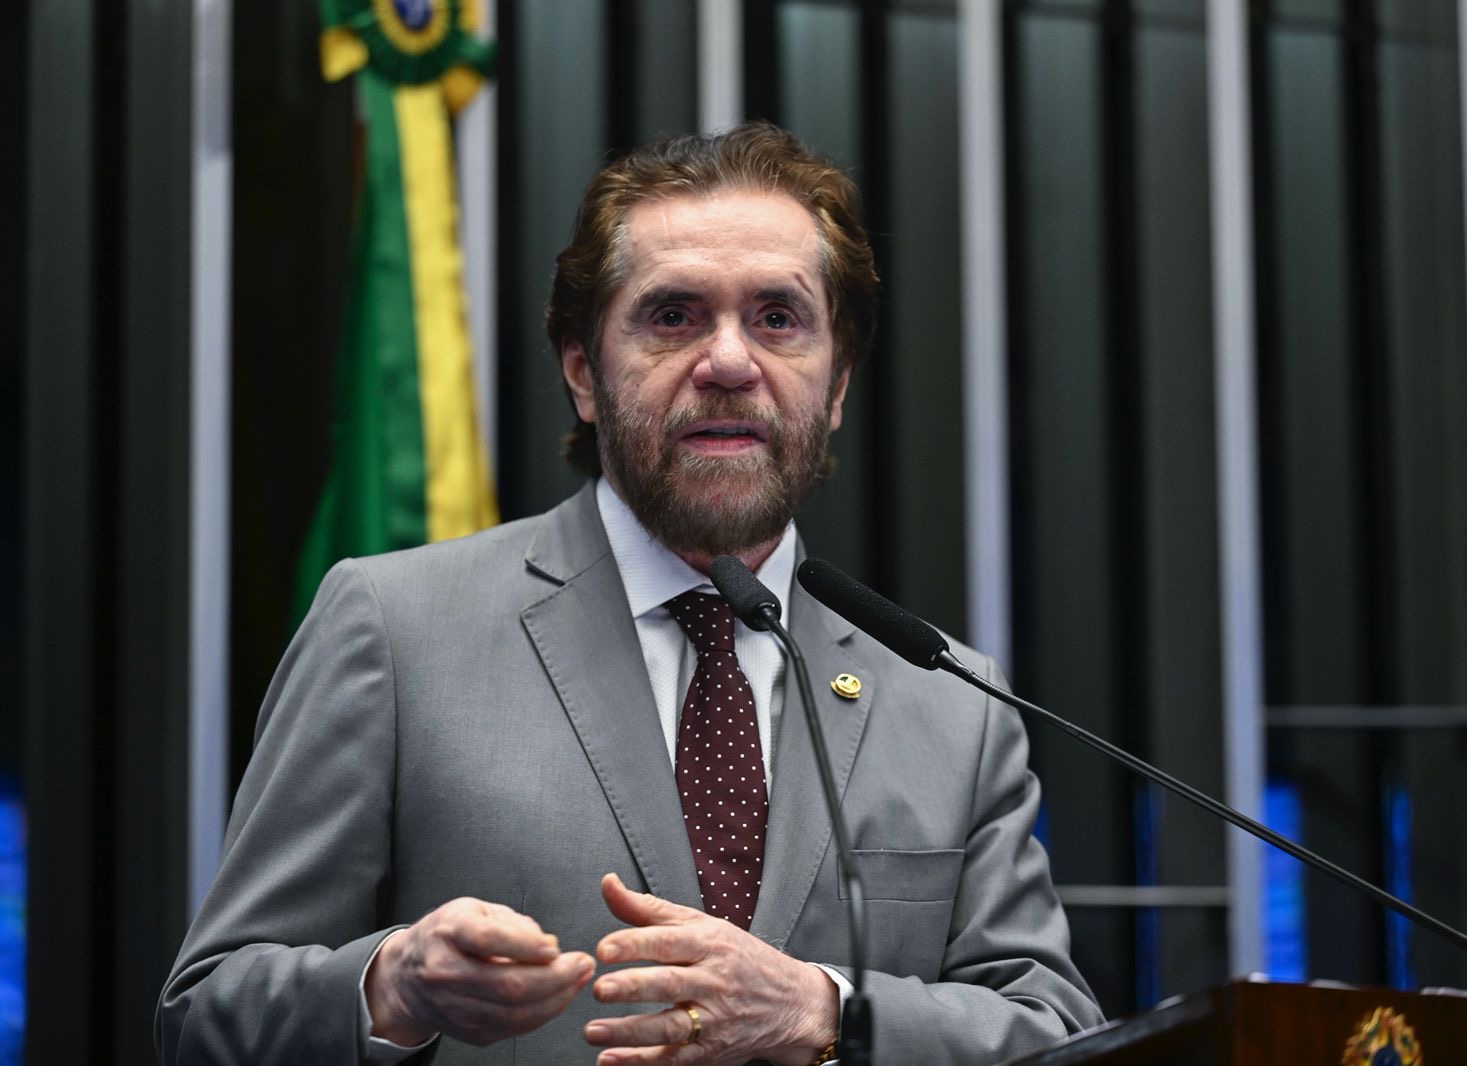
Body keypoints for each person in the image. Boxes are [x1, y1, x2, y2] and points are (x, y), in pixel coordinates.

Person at [157, 123, 1102, 1066]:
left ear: (838, 383)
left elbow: (1054, 1032)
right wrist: (390, 987)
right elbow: (205, 1019)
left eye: (778, 318)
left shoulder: (950, 700)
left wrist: (827, 1011)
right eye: (674, 316)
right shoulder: (396, 631)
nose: (729, 362)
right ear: (583, 372)